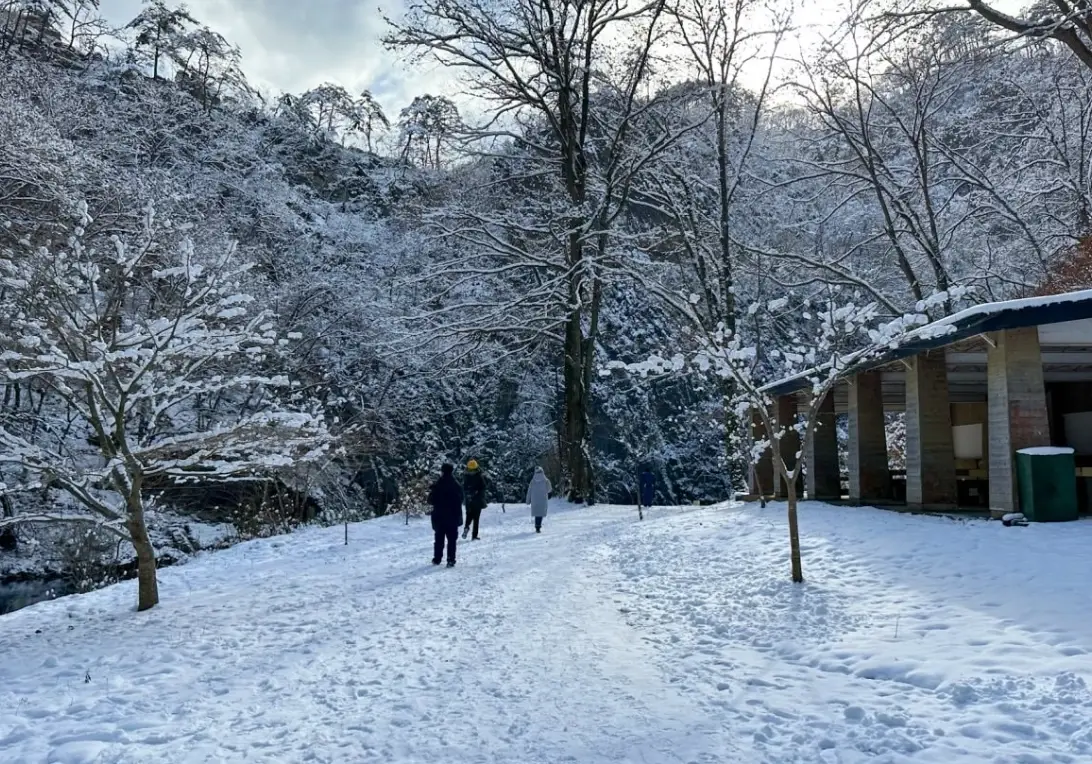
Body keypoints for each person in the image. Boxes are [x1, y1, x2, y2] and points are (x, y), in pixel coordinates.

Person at [429, 464, 463, 567]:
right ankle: (451, 560)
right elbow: (461, 499)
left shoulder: (438, 484)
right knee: (452, 540)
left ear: (442, 471)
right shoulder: (456, 485)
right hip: (453, 517)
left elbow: (430, 500)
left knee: (439, 539)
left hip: (439, 517)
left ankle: (437, 559)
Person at [462, 459, 487, 540]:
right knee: (476, 519)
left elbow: (464, 488)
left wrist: (468, 495)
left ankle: (466, 527)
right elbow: (483, 487)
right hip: (477, 500)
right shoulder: (479, 476)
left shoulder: (466, 476)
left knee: (469, 515)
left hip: (468, 500)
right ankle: (474, 536)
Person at [526, 467, 552, 533]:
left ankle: (537, 526)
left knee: (537, 514)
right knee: (540, 514)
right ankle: (538, 526)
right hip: (542, 499)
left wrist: (528, 500)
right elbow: (549, 489)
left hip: (535, 500)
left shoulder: (532, 481)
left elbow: (529, 491)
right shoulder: (546, 481)